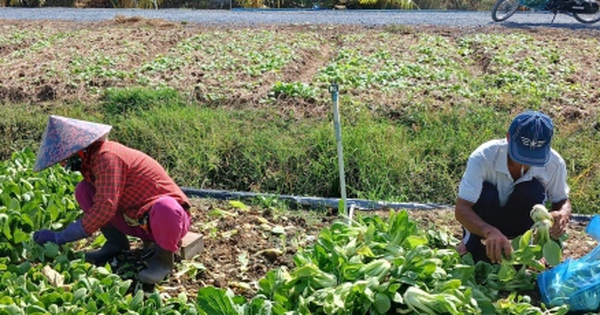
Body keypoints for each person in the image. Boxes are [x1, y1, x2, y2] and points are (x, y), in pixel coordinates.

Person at [32, 115, 192, 284]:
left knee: (165, 207)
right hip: (137, 221)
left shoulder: (106, 157)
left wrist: (61, 237)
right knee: (84, 190)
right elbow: (103, 201)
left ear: (79, 151)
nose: (64, 165)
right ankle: (116, 244)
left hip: (167, 221)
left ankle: (163, 260)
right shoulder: (90, 162)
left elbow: (104, 208)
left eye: (65, 159)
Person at [455, 110, 571, 263]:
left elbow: (562, 200)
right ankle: (472, 243)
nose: (526, 162)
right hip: (485, 221)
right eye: (521, 155)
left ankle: (526, 247)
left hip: (522, 222)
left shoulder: (555, 163)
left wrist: (562, 214)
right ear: (508, 138)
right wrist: (488, 231)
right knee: (487, 193)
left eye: (534, 156)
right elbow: (462, 208)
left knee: (532, 190)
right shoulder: (483, 157)